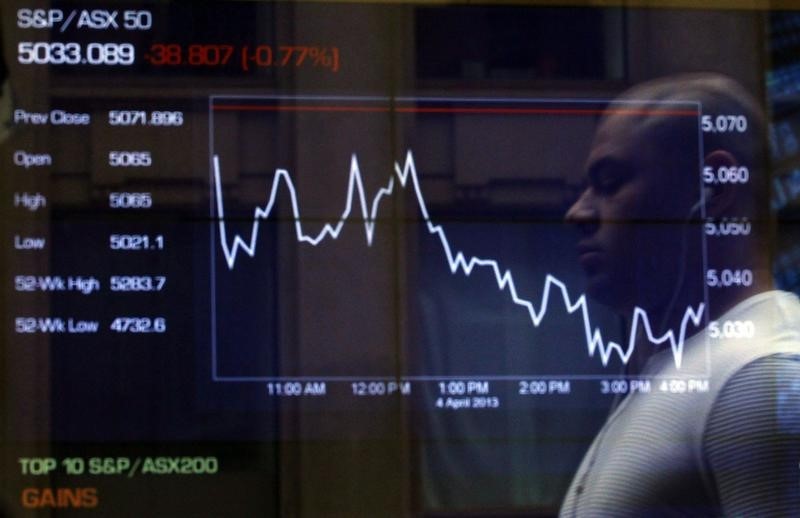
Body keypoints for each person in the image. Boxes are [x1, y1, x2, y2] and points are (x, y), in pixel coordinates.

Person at [560, 73, 800, 516]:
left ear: (715, 186)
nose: (578, 212)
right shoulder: (694, 367)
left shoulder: (760, 380)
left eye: (610, 183)